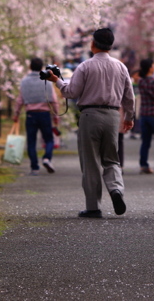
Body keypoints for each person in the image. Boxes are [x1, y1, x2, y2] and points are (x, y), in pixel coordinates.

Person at [45, 28, 135, 218]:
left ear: (93, 44)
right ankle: (116, 190)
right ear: (110, 46)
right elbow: (129, 96)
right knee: (112, 159)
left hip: (90, 116)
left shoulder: (85, 66)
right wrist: (129, 117)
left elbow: (71, 93)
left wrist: (57, 81)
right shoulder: (121, 67)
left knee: (91, 162)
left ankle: (93, 207)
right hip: (112, 116)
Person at [13, 57, 61, 175]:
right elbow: (53, 100)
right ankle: (46, 158)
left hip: (30, 115)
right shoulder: (46, 81)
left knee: (31, 142)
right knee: (49, 139)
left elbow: (20, 99)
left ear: (30, 67)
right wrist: (56, 115)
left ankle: (34, 167)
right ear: (41, 67)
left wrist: (16, 113)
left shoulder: (24, 81)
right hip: (44, 114)